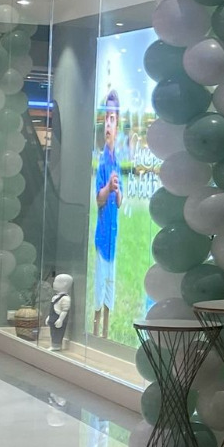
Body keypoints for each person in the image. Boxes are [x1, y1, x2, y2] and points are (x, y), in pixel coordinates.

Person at [92, 90, 122, 338]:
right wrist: (108, 189)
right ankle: (95, 331)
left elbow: (118, 200)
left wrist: (118, 192)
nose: (109, 125)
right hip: (103, 239)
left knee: (110, 285)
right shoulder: (102, 161)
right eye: (106, 119)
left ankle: (105, 334)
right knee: (100, 284)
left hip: (113, 237)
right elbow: (99, 199)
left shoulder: (117, 161)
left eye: (112, 119)